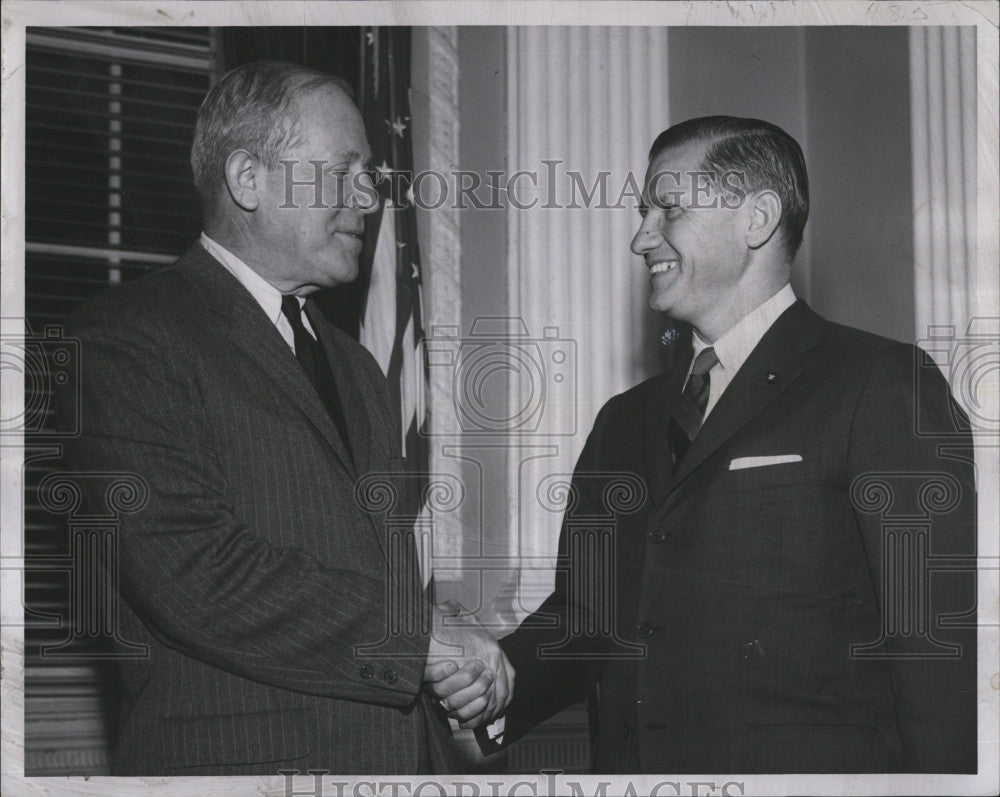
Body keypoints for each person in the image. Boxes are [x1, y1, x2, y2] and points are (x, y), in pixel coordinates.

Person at [427, 116, 978, 773]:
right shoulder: (621, 422)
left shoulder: (879, 383)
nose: (640, 237)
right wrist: (501, 675)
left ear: (758, 218)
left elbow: (933, 651)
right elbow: (586, 619)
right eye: (642, 212)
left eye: (669, 209)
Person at [58, 61, 511, 776]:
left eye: (370, 173)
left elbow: (366, 571)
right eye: (342, 172)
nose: (369, 195)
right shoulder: (122, 339)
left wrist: (443, 643)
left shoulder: (357, 366)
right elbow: (191, 570)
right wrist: (417, 641)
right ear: (248, 179)